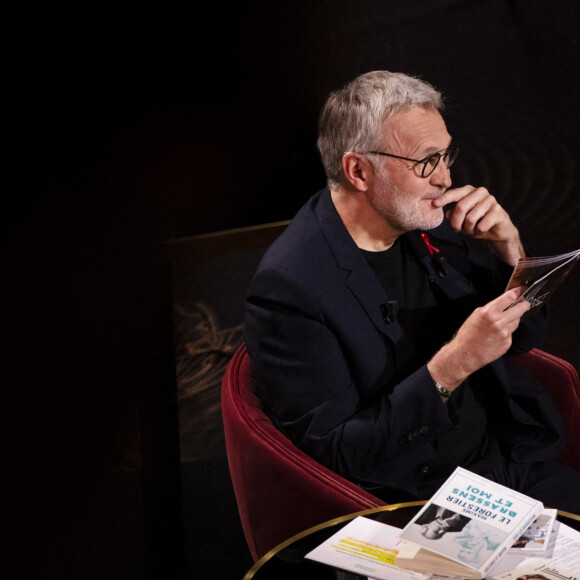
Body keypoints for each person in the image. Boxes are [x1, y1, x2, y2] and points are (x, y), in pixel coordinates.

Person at [243, 70, 580, 512]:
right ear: (359, 170)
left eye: (445, 156)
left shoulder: (432, 225)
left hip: (511, 460)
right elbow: (342, 454)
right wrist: (453, 364)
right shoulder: (290, 288)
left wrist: (510, 251)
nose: (444, 178)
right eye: (426, 162)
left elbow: (523, 339)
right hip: (415, 498)